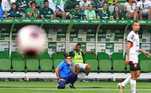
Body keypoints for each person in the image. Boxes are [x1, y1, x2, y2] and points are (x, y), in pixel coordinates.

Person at [118, 21, 151, 93]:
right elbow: (128, 47)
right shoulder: (131, 35)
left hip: (136, 56)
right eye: (136, 25)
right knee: (134, 75)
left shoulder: (136, 35)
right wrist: (127, 57)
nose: (137, 27)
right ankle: (133, 91)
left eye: (138, 25)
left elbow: (136, 47)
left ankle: (122, 84)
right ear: (132, 26)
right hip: (132, 57)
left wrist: (144, 52)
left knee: (137, 74)